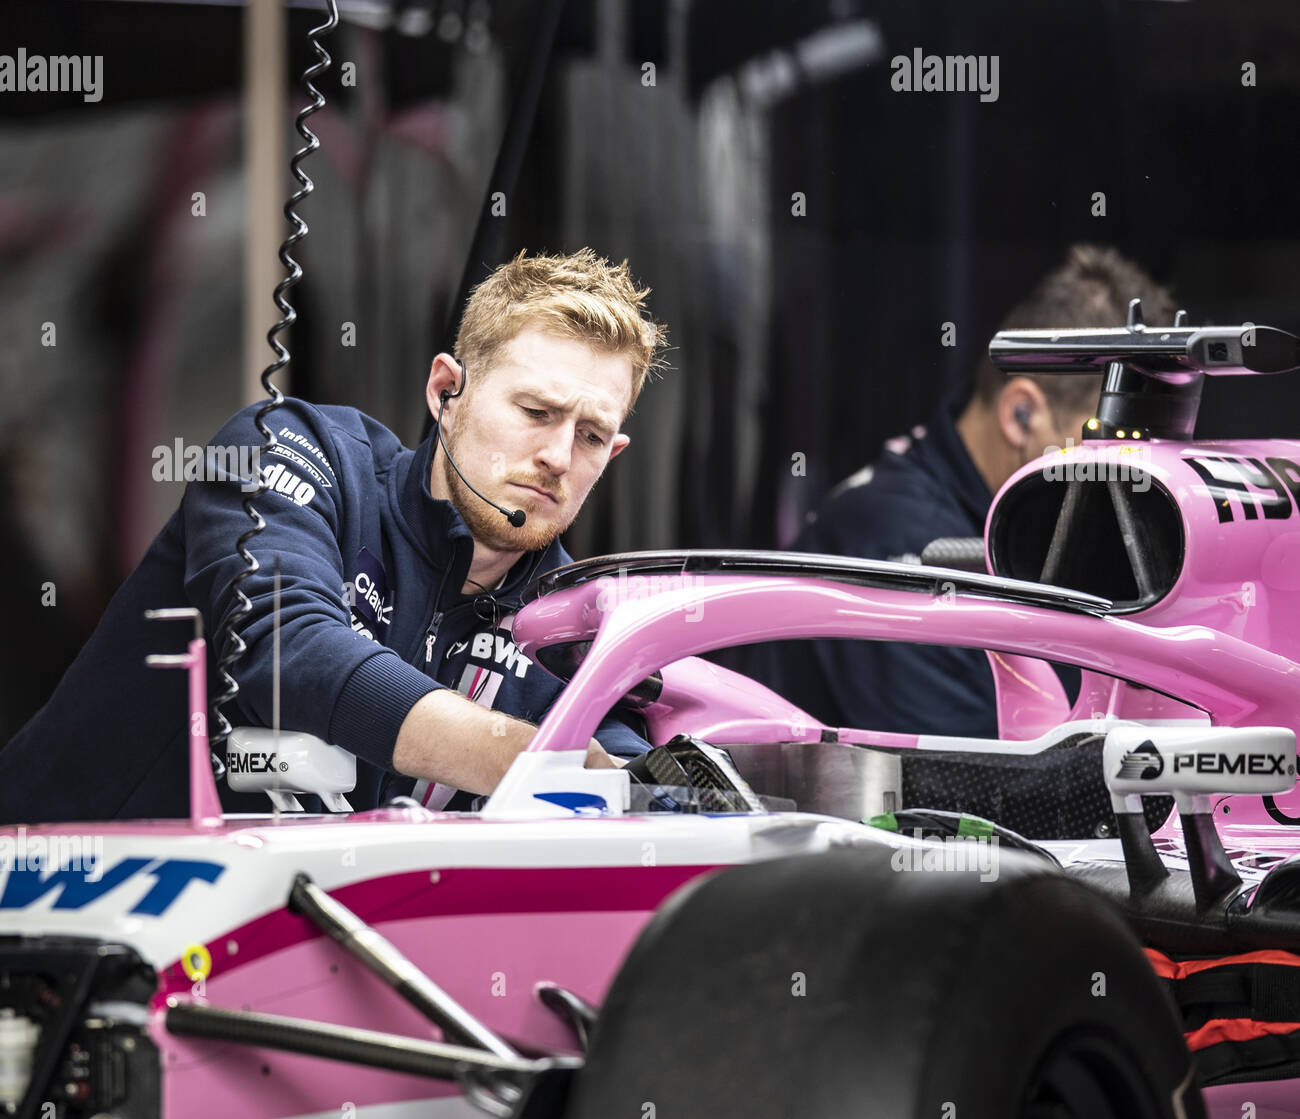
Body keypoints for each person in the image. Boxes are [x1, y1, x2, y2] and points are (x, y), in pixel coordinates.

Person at [0, 248, 669, 822]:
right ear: (445, 390)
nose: (557, 454)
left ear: (612, 455)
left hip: (313, 953)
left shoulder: (578, 630)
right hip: (54, 918)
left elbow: (642, 781)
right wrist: (550, 763)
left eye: (589, 435)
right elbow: (291, 650)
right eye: (535, 411)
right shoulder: (288, 448)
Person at [740, 244, 1175, 739]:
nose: (1134, 470)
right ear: (1021, 414)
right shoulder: (899, 544)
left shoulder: (1019, 530)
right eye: (1111, 438)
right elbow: (993, 792)